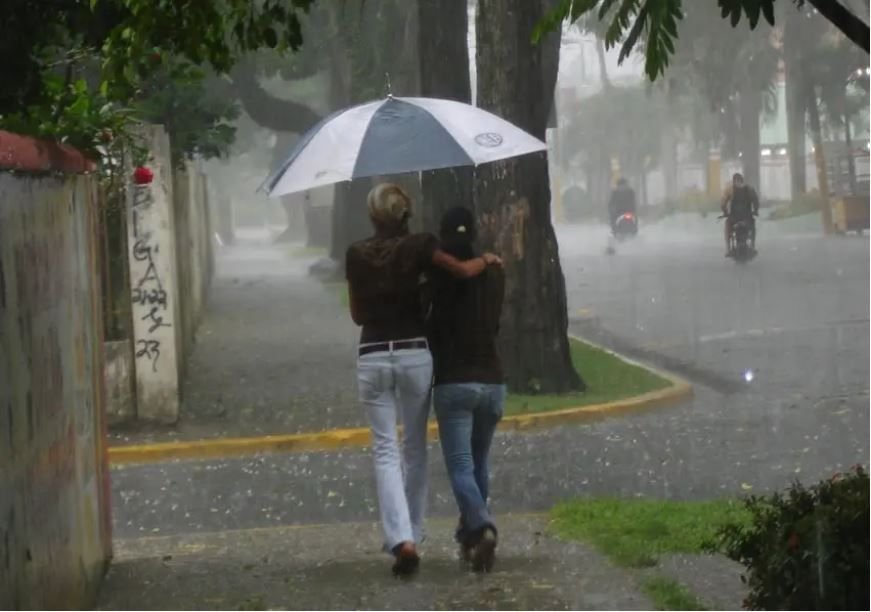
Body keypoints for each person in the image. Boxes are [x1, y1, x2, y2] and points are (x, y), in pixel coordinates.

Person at [345, 183, 501, 577]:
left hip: (373, 354)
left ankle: (403, 540)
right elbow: (462, 270)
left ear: (372, 216)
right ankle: (414, 530)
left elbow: (358, 316)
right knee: (415, 448)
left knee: (384, 449)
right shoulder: (420, 245)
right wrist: (486, 260)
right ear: (405, 213)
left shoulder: (356, 254)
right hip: (415, 353)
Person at [427, 206, 505, 573]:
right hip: (492, 380)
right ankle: (470, 535)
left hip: (454, 380)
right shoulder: (494, 273)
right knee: (478, 463)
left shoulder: (436, 278)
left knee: (460, 465)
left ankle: (482, 525)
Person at [721, 172, 759, 256]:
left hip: (734, 218)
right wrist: (755, 211)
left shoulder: (729, 189)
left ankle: (728, 248)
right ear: (742, 180)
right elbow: (755, 201)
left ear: (733, 181)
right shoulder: (750, 189)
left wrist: (725, 213)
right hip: (747, 217)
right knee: (752, 227)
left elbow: (723, 203)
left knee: (727, 226)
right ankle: (752, 245)